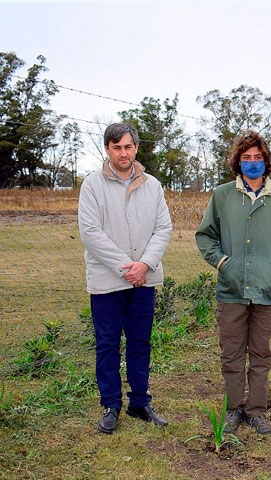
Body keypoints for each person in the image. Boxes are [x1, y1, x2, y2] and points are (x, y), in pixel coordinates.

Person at [195, 129, 271, 435]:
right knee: (231, 353)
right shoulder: (222, 195)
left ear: (267, 162)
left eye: (258, 158)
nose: (252, 163)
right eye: (246, 158)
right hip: (231, 291)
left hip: (265, 291)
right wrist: (223, 263)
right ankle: (233, 409)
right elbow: (205, 236)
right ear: (238, 163)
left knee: (261, 353)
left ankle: (256, 410)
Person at [78, 122, 172, 434]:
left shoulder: (153, 185)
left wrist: (144, 265)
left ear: (136, 148)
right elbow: (91, 233)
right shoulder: (92, 185)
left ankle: (140, 402)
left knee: (140, 342)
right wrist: (126, 266)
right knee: (107, 344)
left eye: (128, 146)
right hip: (108, 282)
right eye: (117, 147)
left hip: (143, 281)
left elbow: (163, 228)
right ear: (107, 148)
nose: (123, 153)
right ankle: (110, 405)